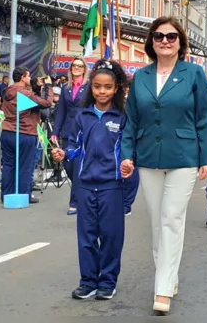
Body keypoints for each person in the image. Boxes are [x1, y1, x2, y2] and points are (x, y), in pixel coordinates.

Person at [120, 16, 207, 314]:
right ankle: (169, 277)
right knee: (156, 222)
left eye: (171, 36)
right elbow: (132, 120)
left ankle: (162, 289)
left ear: (180, 42)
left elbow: (204, 118)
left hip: (184, 156)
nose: (164, 41)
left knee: (171, 218)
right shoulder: (142, 77)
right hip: (148, 156)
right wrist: (127, 154)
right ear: (151, 41)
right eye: (159, 36)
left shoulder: (194, 74)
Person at [52, 59, 128, 301]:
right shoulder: (82, 116)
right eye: (97, 87)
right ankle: (88, 281)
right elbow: (73, 145)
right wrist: (64, 153)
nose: (102, 92)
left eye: (107, 87)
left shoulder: (122, 117)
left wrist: (128, 163)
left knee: (110, 236)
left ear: (116, 89)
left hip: (111, 186)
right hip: (84, 184)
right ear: (90, 87)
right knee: (86, 237)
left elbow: (128, 149)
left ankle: (107, 282)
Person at [0, 67, 53, 204]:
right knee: (25, 166)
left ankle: (6, 194)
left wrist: (35, 86)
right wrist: (48, 86)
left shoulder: (7, 91)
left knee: (8, 165)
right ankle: (24, 195)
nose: (30, 79)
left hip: (7, 131)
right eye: (28, 76)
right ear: (23, 77)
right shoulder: (24, 93)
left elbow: (30, 103)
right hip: (24, 132)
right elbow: (46, 103)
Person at [53, 57, 90, 215]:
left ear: (84, 69)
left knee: (76, 166)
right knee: (68, 165)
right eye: (74, 65)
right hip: (68, 130)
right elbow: (61, 111)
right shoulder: (65, 87)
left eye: (80, 66)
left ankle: (74, 202)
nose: (76, 68)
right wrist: (55, 132)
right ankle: (83, 192)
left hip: (84, 130)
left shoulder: (89, 86)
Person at [122, 83, 139, 216]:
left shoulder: (138, 99)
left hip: (135, 138)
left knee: (131, 172)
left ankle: (126, 204)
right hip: (117, 135)